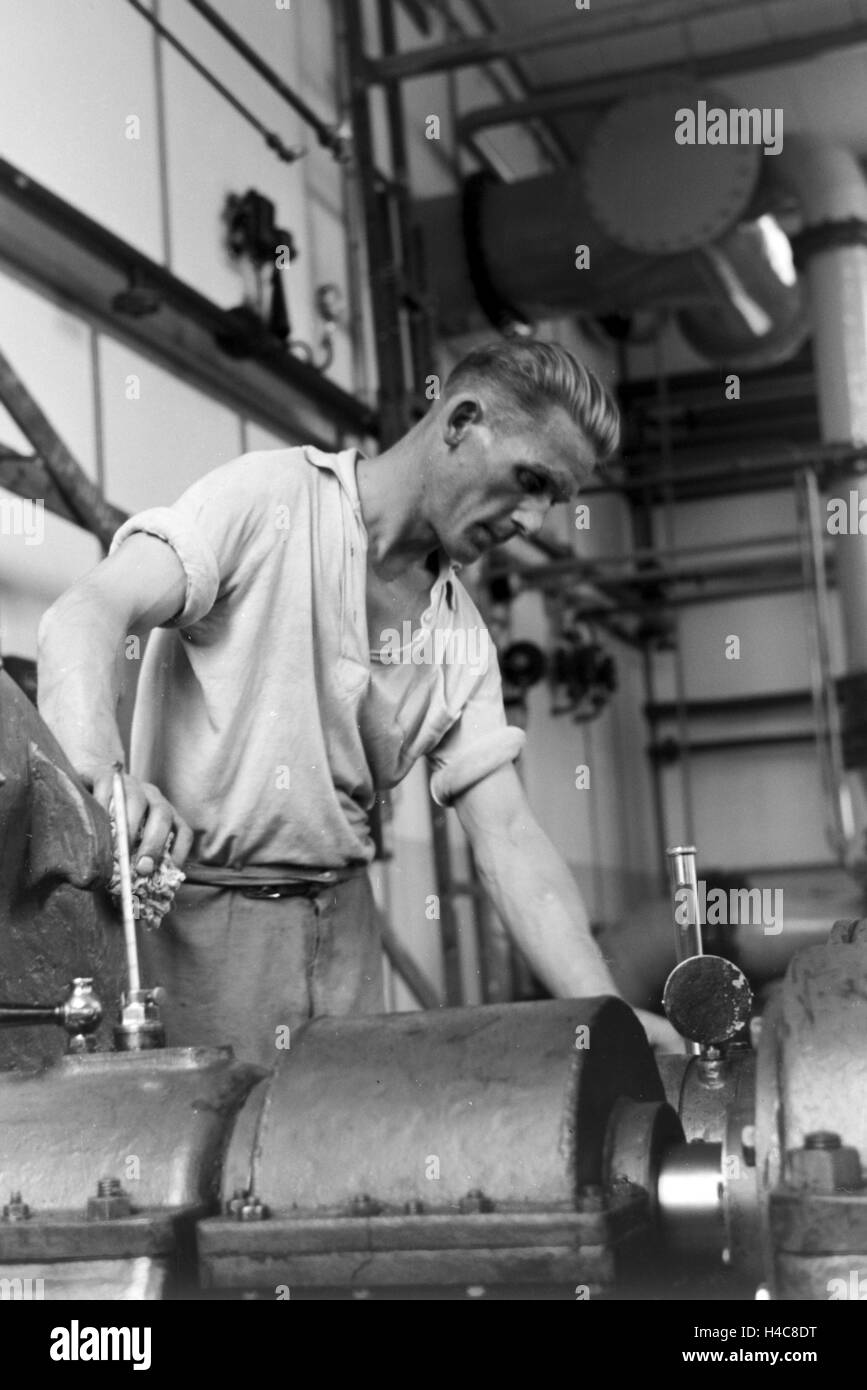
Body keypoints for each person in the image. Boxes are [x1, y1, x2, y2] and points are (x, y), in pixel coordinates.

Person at [37, 339, 679, 1065]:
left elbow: (508, 839)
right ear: (461, 421)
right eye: (529, 480)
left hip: (343, 946)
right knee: (196, 1158)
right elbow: (84, 616)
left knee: (339, 1159)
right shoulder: (268, 502)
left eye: (555, 501)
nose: (533, 523)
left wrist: (612, 1009)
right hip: (192, 942)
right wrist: (102, 782)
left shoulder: (459, 636)